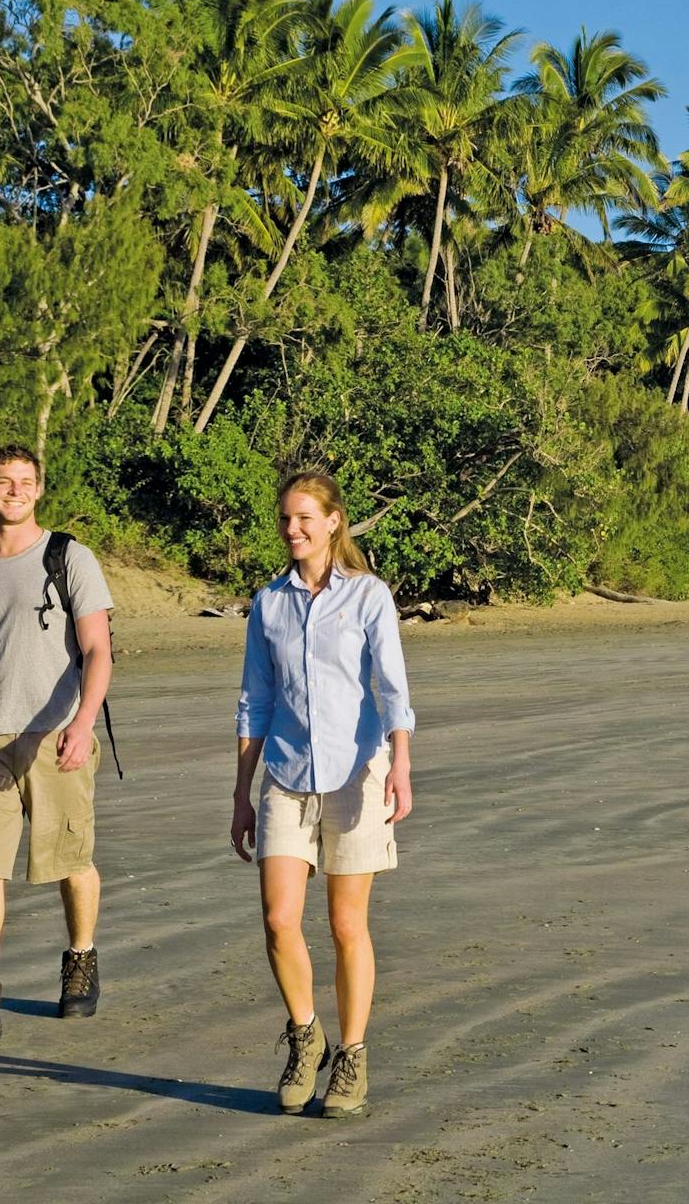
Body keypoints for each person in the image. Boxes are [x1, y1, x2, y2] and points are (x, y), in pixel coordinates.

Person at [232, 472, 416, 1117]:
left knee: (346, 925)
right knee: (280, 920)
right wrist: (240, 793)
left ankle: (352, 1057)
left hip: (358, 773)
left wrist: (401, 766)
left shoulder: (367, 596)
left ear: (334, 522)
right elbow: (254, 701)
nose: (293, 530)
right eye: (286, 519)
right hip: (284, 774)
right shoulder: (269, 603)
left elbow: (392, 688)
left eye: (306, 518)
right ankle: (305, 1036)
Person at [0, 444, 115, 1047]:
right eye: (3, 482)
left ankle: (81, 958)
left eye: (24, 482)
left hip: (58, 733)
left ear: (39, 490)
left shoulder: (69, 557)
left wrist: (82, 721)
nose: (13, 491)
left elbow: (97, 650)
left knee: (70, 859)